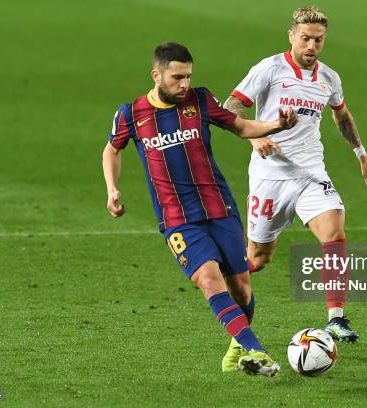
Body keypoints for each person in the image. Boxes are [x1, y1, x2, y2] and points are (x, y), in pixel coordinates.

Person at [101, 42, 297, 376]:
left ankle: (238, 350)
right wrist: (112, 188)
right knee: (208, 279)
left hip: (220, 208)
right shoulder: (131, 114)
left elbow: (241, 126)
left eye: (188, 77)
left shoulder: (200, 100)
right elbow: (111, 150)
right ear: (157, 74)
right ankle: (256, 350)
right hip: (177, 219)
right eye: (177, 77)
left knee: (241, 286)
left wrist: (277, 125)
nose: (184, 84)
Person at [224, 6, 367, 342]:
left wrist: (362, 156)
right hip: (270, 176)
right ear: (292, 36)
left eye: (318, 40)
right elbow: (231, 107)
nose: (311, 46)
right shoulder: (269, 69)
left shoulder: (329, 78)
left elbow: (342, 116)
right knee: (259, 258)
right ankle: (221, 278)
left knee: (334, 233)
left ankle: (336, 319)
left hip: (311, 173)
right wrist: (256, 136)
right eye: (306, 38)